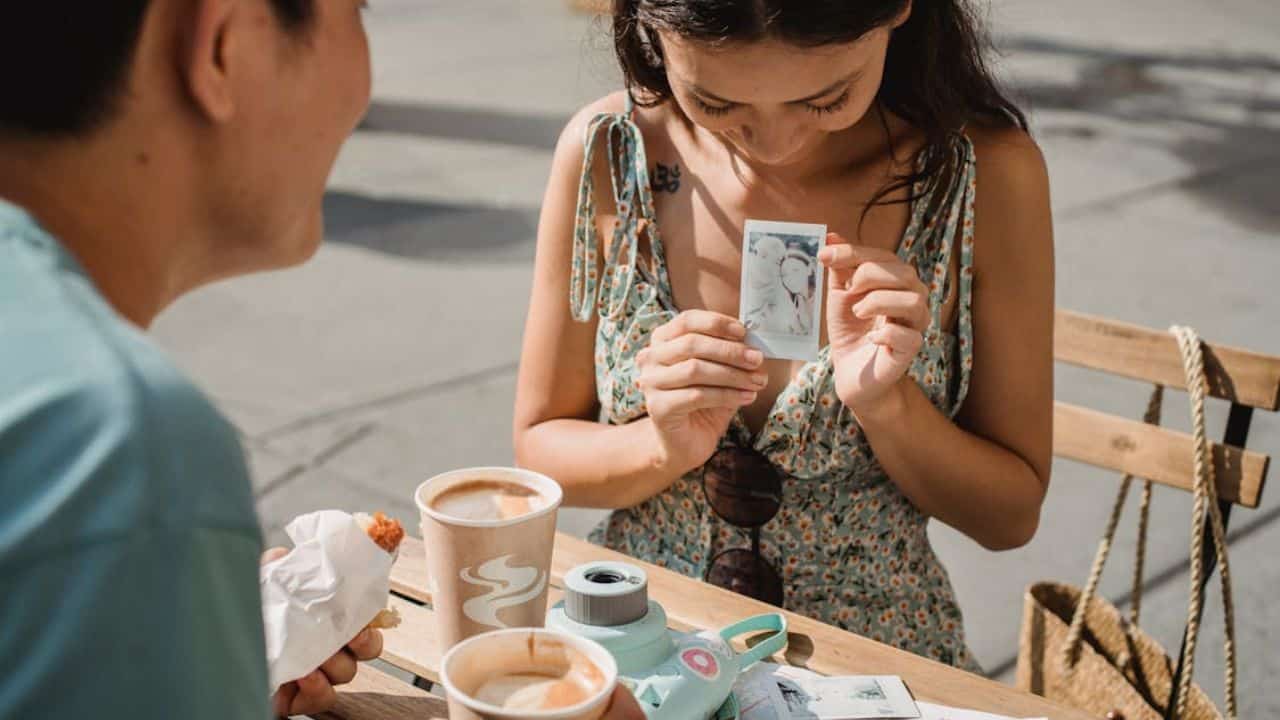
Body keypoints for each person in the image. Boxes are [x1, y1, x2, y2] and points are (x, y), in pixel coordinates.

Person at [0, 2, 645, 717]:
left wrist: (199, 637)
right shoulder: (119, 445)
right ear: (225, 43)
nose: (365, 86)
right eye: (355, 10)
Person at [515, 0, 1054, 670]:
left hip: (871, 667)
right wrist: (661, 444)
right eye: (715, 103)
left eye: (827, 99)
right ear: (650, 25)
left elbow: (1009, 517)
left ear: (898, 13)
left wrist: (889, 406)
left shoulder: (985, 173)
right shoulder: (608, 148)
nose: (773, 145)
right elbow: (540, 448)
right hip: (643, 645)